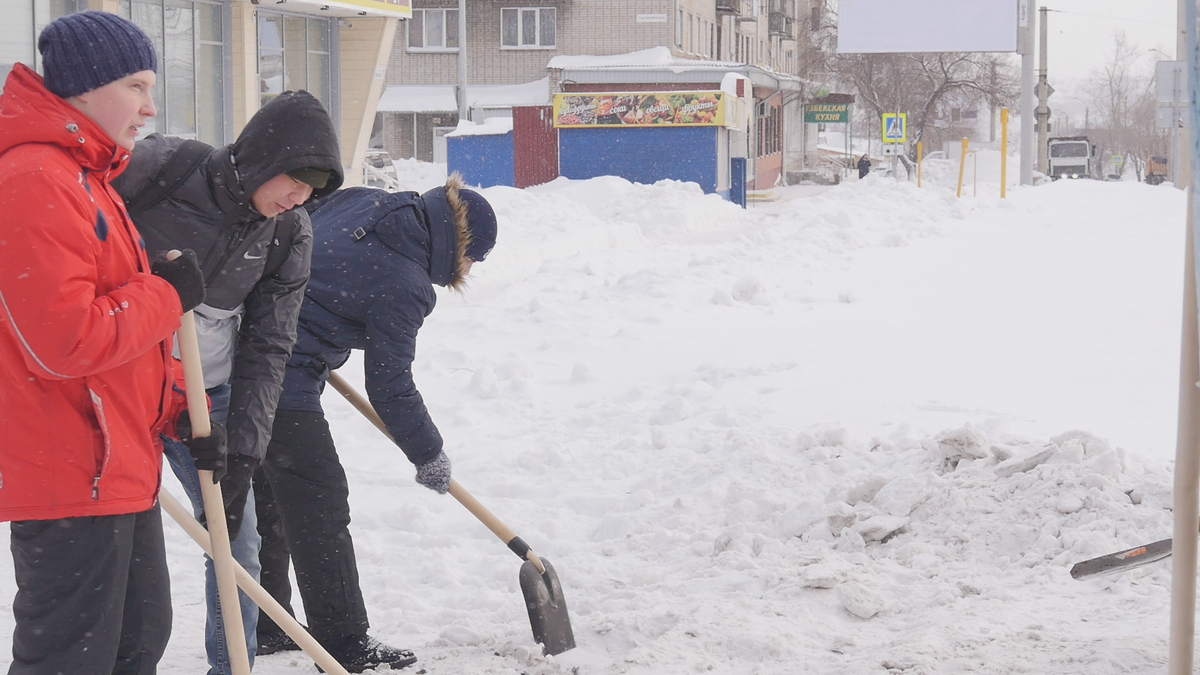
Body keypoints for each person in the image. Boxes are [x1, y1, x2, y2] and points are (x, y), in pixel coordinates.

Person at [0, 11, 213, 675]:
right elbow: (66, 339)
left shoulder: (86, 176)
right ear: (86, 87)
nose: (150, 107)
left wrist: (174, 409)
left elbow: (124, 341)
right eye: (136, 86)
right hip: (71, 467)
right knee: (73, 659)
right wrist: (168, 293)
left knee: (134, 640)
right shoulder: (37, 178)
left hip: (115, 460)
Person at [111, 90, 343, 675]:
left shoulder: (289, 232)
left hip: (203, 399)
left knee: (236, 541)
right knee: (122, 544)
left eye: (312, 192)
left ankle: (231, 665)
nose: (299, 198)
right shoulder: (161, 170)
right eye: (294, 181)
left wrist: (243, 446)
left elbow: (269, 344)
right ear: (263, 158)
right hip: (120, 390)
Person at [254, 176, 498, 672]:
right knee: (318, 501)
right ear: (460, 244)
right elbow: (390, 385)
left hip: (243, 348)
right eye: (476, 258)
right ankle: (343, 644)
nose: (470, 269)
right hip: (280, 373)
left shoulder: (367, 200)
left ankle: (267, 619)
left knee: (273, 498)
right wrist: (428, 453)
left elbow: (309, 239)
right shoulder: (406, 283)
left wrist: (319, 319)